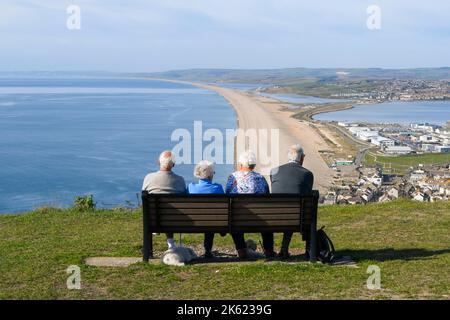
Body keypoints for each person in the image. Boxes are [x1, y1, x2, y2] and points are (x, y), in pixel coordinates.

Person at [226, 150, 276, 258]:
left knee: (235, 216)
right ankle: (268, 250)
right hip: (259, 220)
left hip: (238, 220)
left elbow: (227, 195)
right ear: (253, 165)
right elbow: (267, 196)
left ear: (240, 164)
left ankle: (241, 250)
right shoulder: (261, 178)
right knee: (266, 220)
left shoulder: (232, 178)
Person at [270, 144, 314, 259]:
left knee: (287, 210)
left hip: (273, 217)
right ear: (302, 158)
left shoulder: (274, 171)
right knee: (294, 211)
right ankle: (309, 252)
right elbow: (307, 194)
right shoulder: (307, 174)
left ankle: (275, 251)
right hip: (298, 218)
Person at [142, 150, 186, 250]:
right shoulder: (180, 180)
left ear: (158, 162)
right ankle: (170, 243)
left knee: (160, 210)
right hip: (173, 219)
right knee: (170, 212)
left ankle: (153, 242)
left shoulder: (148, 178)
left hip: (153, 218)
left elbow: (144, 195)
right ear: (173, 164)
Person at [188, 160, 224, 258]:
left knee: (207, 217)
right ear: (210, 175)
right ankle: (208, 250)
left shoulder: (191, 187)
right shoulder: (218, 188)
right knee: (210, 217)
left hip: (193, 222)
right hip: (212, 222)